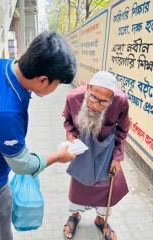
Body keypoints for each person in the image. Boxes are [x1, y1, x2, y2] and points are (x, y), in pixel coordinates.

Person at [0, 31, 77, 240]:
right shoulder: (5, 111)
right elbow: (22, 165)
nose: (56, 89)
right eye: (57, 84)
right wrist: (59, 156)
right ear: (43, 80)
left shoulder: (0, 65)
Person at [62, 71, 130, 240]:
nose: (95, 105)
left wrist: (117, 157)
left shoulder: (121, 102)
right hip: (83, 151)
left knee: (105, 186)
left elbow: (122, 130)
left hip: (106, 154)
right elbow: (68, 121)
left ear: (112, 98)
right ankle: (75, 216)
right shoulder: (73, 97)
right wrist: (70, 134)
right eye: (93, 97)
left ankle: (101, 220)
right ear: (88, 88)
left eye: (103, 102)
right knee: (79, 184)